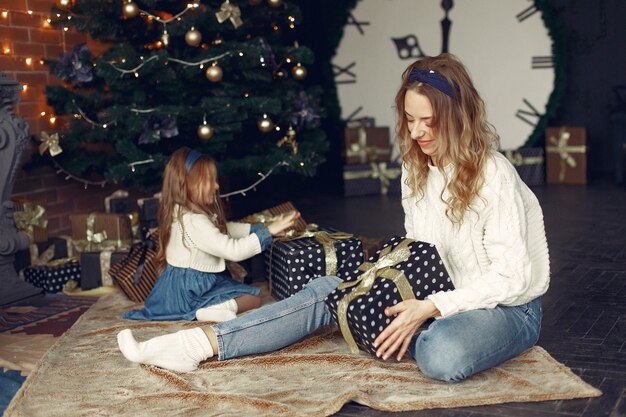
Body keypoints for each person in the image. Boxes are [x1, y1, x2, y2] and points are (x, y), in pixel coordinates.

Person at [117, 53, 550, 382]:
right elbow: (419, 254)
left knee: (442, 353)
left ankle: (416, 331)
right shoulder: (416, 168)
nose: (416, 134)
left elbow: (512, 278)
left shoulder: (492, 174)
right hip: (439, 297)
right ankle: (194, 344)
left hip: (507, 308)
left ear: (458, 119)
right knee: (329, 290)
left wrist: (431, 307)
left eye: (429, 122)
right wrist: (378, 290)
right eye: (410, 120)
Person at [122, 147, 298, 323]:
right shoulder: (195, 221)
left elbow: (223, 229)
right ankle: (210, 310)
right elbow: (233, 250)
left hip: (180, 285)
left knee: (245, 293)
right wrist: (267, 232)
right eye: (210, 181)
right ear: (189, 185)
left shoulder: (181, 210)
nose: (217, 185)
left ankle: (210, 309)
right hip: (192, 289)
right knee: (253, 298)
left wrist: (257, 229)